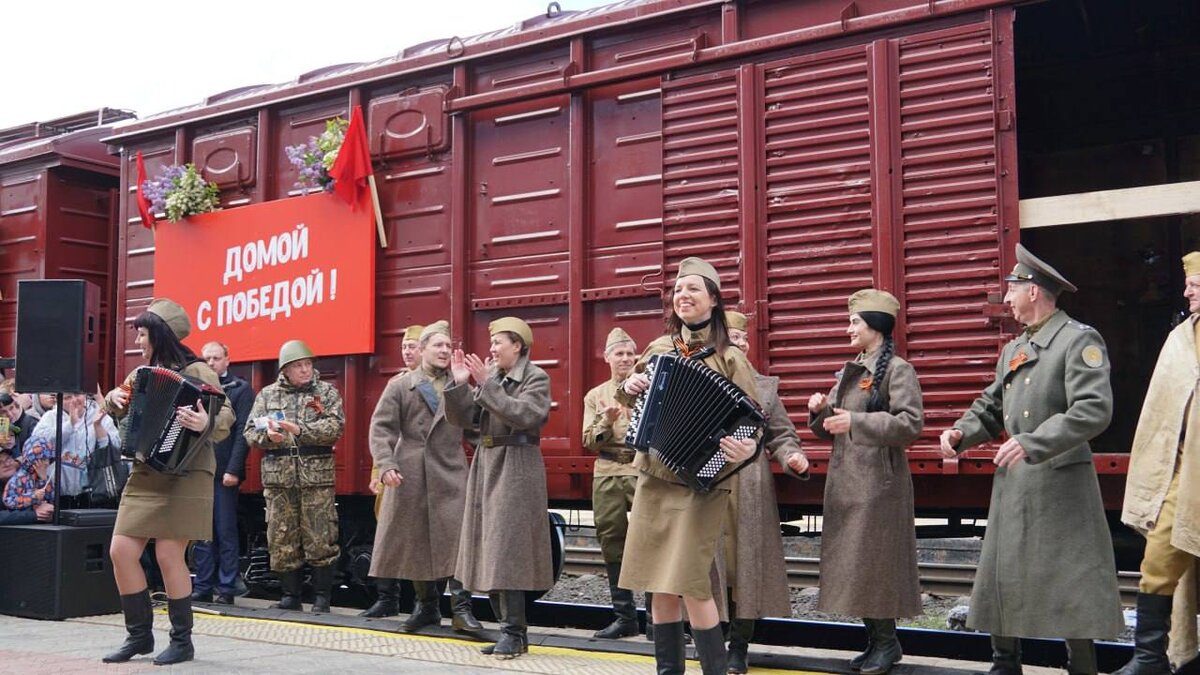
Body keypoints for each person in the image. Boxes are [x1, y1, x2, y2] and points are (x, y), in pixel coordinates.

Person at [939, 244, 1122, 675]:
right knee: (1004, 572)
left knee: (1072, 578)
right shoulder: (1015, 348)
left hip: (1061, 481)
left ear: (1033, 291)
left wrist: (1034, 442)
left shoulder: (1078, 340)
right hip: (1016, 480)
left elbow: (1093, 409)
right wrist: (960, 432)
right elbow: (990, 404)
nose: (1006, 299)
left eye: (1011, 289)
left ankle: (1082, 665)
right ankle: (1005, 661)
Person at [616, 257, 759, 675]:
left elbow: (754, 424)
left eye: (693, 289)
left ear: (713, 300)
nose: (683, 296)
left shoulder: (731, 359)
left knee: (692, 585)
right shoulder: (659, 350)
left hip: (701, 483)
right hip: (655, 477)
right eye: (678, 290)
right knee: (659, 585)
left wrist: (744, 450)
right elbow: (630, 398)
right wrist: (630, 386)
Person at [101, 298, 235, 666]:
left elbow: (225, 415)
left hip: (186, 471)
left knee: (167, 552)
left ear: (160, 335)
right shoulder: (143, 372)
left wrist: (204, 423)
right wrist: (113, 399)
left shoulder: (199, 370)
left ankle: (182, 641)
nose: (139, 342)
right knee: (121, 551)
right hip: (147, 471)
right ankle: (139, 637)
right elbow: (118, 403)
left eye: (143, 335)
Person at [807, 291, 923, 674]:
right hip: (848, 482)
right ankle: (877, 642)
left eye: (855, 321)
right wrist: (819, 413)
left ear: (875, 324)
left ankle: (887, 644)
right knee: (856, 568)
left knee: (874, 567)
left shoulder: (897, 369)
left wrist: (855, 422)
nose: (848, 329)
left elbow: (910, 425)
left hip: (878, 484)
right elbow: (833, 427)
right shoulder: (853, 369)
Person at [444, 316, 552, 658]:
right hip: (488, 462)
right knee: (489, 547)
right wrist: (461, 385)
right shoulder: (495, 378)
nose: (491, 349)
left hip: (517, 464)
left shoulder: (535, 377)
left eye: (498, 343)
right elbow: (465, 420)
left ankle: (513, 632)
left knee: (508, 550)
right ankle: (511, 634)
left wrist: (487, 384)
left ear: (517, 346)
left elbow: (527, 415)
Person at [1114, 251, 1200, 675]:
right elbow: (1162, 409)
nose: (1187, 290)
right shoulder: (1180, 337)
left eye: (1196, 283)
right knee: (1158, 563)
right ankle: (1150, 659)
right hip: (1183, 469)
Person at [366, 320, 481, 632]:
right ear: (423, 349)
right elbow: (382, 428)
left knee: (458, 538)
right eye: (438, 346)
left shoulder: (460, 384)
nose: (444, 351)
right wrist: (386, 463)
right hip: (411, 471)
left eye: (448, 346)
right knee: (418, 539)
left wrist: (461, 386)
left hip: (450, 468)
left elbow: (471, 427)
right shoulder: (401, 385)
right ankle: (426, 607)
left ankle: (461, 610)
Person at [724, 310, 809, 674]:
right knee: (706, 567)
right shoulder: (696, 375)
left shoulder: (764, 387)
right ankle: (710, 638)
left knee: (746, 567)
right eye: (732, 338)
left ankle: (737, 647)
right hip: (704, 488)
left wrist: (792, 457)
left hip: (750, 486)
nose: (740, 344)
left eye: (744, 339)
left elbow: (783, 435)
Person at [243, 339, 345, 614]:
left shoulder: (326, 393)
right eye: (298, 366)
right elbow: (250, 432)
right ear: (285, 369)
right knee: (281, 536)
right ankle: (290, 595)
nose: (305, 370)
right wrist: (270, 437)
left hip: (317, 479)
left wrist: (299, 430)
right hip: (279, 480)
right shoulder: (267, 395)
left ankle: (323, 597)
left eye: (308, 364)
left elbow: (335, 427)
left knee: (320, 534)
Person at [582, 327, 643, 640]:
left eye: (630, 354)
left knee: (652, 542)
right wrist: (606, 420)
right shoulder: (596, 395)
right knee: (612, 542)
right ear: (606, 358)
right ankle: (625, 617)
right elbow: (589, 441)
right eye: (619, 353)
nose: (625, 359)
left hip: (640, 470)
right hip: (607, 472)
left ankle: (662, 623)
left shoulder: (647, 388)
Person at [361, 323, 423, 617]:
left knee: (419, 539)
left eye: (413, 346)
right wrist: (377, 473)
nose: (407, 351)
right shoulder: (398, 383)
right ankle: (387, 599)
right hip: (393, 472)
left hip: (421, 471)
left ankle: (420, 603)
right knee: (387, 536)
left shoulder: (432, 385)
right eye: (404, 347)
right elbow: (384, 432)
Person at [190, 341, 254, 605]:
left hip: (224, 470)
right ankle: (203, 585)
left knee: (225, 530)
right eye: (206, 359)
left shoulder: (240, 390)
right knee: (201, 531)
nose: (211, 363)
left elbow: (242, 434)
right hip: (199, 471)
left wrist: (234, 469)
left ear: (228, 360)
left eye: (216, 358)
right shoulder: (194, 389)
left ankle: (227, 587)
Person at [30, 391, 120, 505]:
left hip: (95, 493)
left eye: (77, 395)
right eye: (67, 397)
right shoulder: (50, 417)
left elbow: (116, 448)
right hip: (59, 495)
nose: (74, 400)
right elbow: (37, 446)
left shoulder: (101, 416)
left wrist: (98, 428)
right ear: (59, 400)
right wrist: (69, 425)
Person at [0, 449, 53, 524]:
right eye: (0, 462)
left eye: (8, 459)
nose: (7, 464)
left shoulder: (28, 477)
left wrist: (43, 479)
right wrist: (34, 514)